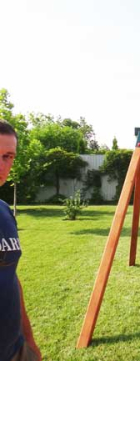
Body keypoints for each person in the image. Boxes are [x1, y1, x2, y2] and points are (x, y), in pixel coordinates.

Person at [0, 119, 41, 361]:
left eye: (8, 156)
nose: (1, 164)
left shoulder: (5, 211)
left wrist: (29, 339)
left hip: (17, 349)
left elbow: (11, 276)